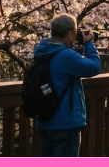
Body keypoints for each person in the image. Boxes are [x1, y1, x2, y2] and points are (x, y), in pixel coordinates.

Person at [33, 14, 102, 157]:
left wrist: (80, 48)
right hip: (64, 123)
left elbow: (65, 60)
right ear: (70, 33)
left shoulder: (43, 51)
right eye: (75, 32)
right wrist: (89, 44)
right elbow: (94, 67)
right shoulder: (67, 57)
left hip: (44, 121)